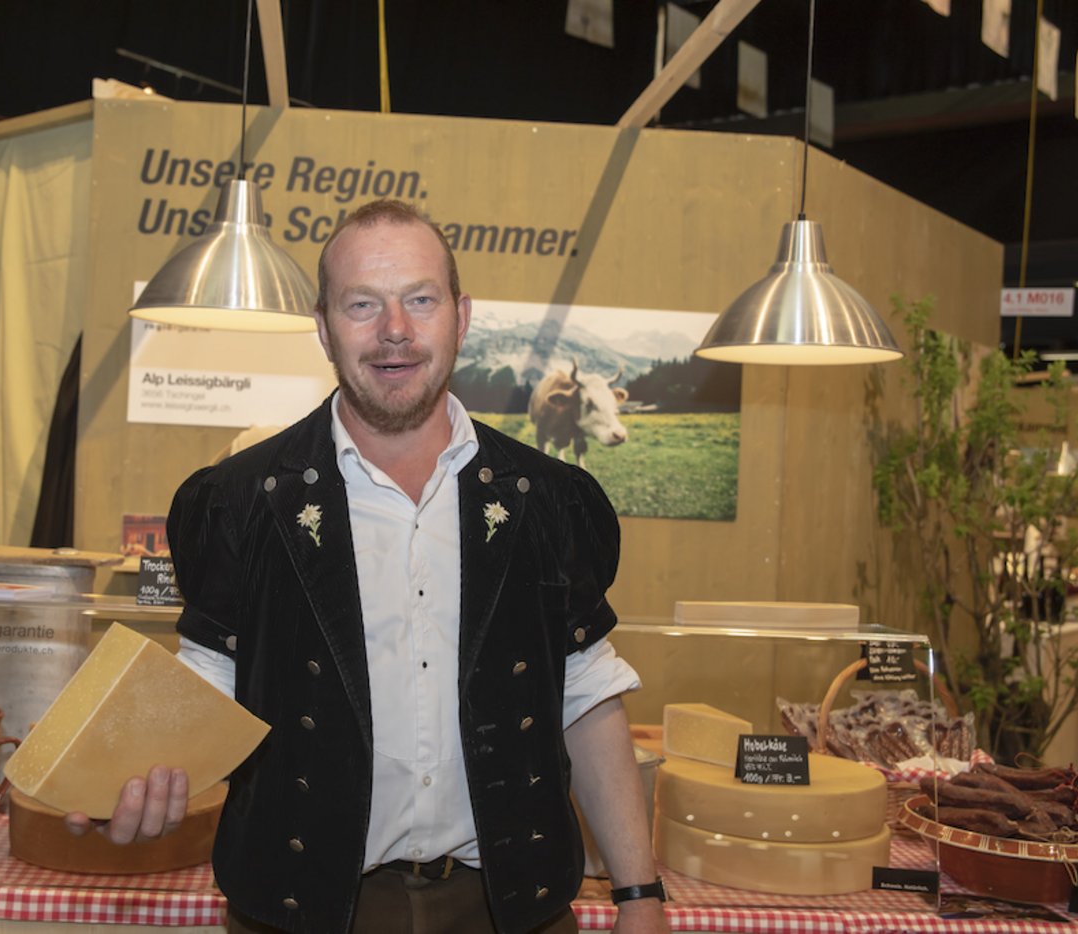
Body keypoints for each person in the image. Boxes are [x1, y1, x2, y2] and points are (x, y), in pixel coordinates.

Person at [70, 199, 668, 934]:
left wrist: (639, 896)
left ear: (461, 315)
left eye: (420, 299)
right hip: (302, 913)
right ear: (323, 328)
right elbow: (206, 691)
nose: (395, 330)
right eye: (363, 305)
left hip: (510, 910)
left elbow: (585, 693)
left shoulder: (546, 500)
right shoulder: (240, 502)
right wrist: (123, 776)